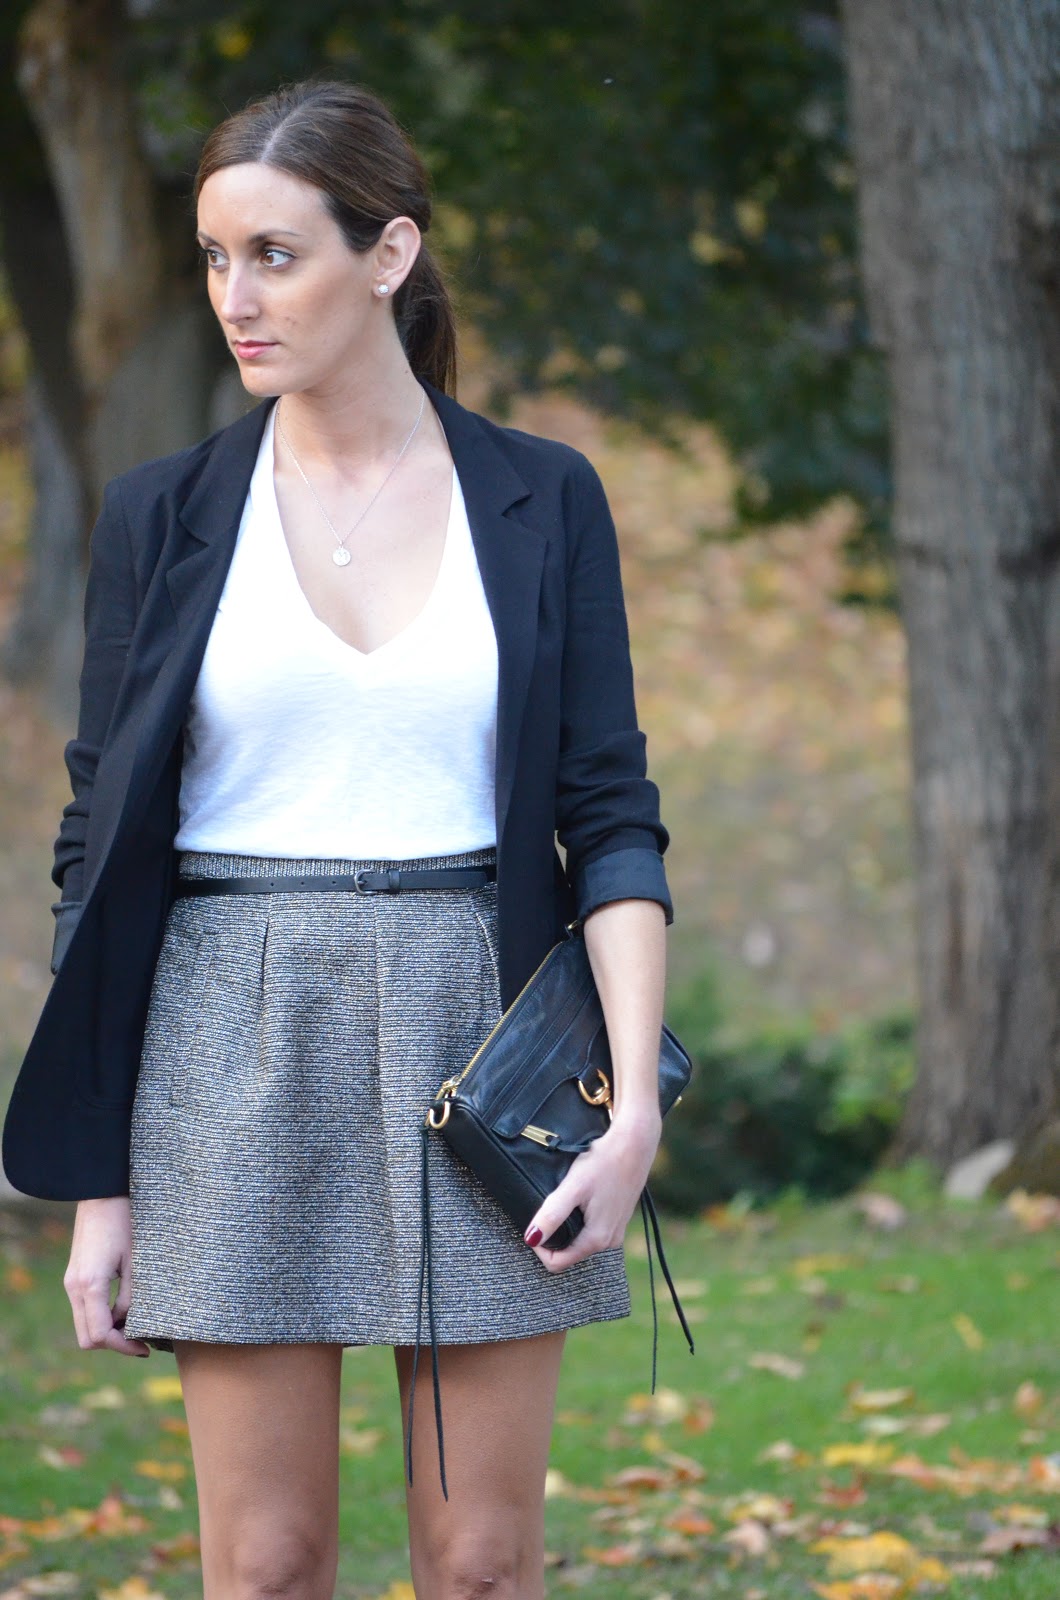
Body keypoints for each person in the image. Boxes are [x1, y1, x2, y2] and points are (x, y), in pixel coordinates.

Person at [2, 80, 672, 1600]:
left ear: (389, 255)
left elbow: (612, 817)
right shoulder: (161, 516)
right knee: (267, 1563)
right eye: (214, 259)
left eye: (276, 255)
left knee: (483, 1561)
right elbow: (100, 857)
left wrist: (631, 1110)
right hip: (225, 1031)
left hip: (483, 1029)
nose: (235, 300)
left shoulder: (543, 497)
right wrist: (105, 1181)